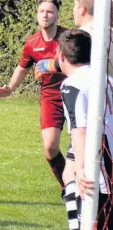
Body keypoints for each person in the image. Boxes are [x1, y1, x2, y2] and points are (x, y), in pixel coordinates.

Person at [0, 0, 68, 195]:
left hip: (75, 94)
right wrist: (9, 88)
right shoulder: (32, 43)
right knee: (51, 147)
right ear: (37, 14)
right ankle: (68, 187)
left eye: (50, 11)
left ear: (57, 14)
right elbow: (22, 68)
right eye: (42, 11)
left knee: (84, 146)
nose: (45, 15)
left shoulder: (68, 37)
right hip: (51, 97)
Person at [58, 29, 113, 229]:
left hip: (101, 162)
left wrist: (81, 168)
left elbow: (80, 128)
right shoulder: (107, 79)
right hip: (105, 155)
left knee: (96, 219)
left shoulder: (72, 85)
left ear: (61, 57)